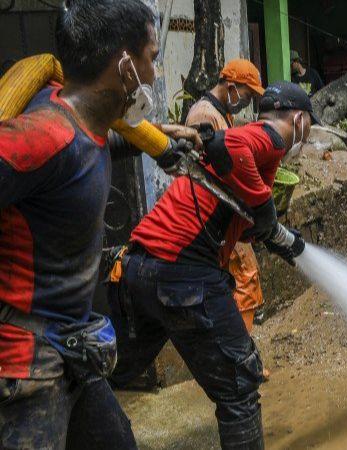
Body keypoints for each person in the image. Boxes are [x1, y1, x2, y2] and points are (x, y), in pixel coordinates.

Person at [0, 0, 200, 448]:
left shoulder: (77, 121)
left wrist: (159, 138)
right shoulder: (41, 136)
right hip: (27, 369)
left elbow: (87, 151)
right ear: (124, 64)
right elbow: (58, 154)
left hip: (70, 347)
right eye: (150, 57)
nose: (153, 74)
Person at [108, 81, 318, 450]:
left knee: (113, 374)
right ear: (299, 119)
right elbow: (231, 147)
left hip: (136, 270)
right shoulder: (272, 136)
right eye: (308, 128)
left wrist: (273, 234)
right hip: (184, 275)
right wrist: (265, 207)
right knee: (240, 387)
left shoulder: (249, 140)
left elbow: (232, 210)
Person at [184, 59, 266, 334]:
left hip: (224, 214)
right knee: (245, 279)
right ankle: (242, 358)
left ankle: (240, 355)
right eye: (248, 95)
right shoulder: (204, 116)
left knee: (238, 284)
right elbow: (206, 172)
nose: (248, 102)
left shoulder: (220, 112)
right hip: (214, 215)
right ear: (231, 86)